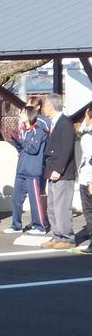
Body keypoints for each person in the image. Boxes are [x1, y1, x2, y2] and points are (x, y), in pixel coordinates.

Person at [6, 106, 49, 235]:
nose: (21, 114)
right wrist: (15, 140)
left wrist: (20, 140)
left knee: (34, 200)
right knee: (16, 199)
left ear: (30, 114)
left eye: (23, 112)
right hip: (21, 169)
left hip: (33, 171)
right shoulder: (23, 130)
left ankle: (40, 226)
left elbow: (33, 148)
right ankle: (16, 225)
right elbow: (22, 149)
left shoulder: (38, 130)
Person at [41, 93, 76, 249]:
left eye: (45, 105)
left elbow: (66, 149)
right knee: (52, 206)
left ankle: (67, 238)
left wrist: (58, 169)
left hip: (62, 173)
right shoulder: (55, 122)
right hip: (52, 171)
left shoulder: (65, 123)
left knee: (62, 206)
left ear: (50, 106)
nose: (43, 108)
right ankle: (57, 235)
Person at [76, 106, 92, 254]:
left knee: (89, 210)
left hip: (89, 177)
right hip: (86, 176)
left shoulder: (89, 135)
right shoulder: (86, 131)